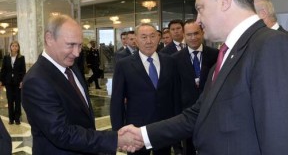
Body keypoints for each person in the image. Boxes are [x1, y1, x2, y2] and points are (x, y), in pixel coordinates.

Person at [120, 0, 288, 155]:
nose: (198, 19)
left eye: (200, 8)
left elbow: (282, 138)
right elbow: (198, 113)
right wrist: (142, 134)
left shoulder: (272, 45)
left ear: (225, 1)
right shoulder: (227, 55)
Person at [21, 14, 142, 155]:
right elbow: (62, 133)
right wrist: (116, 140)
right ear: (49, 38)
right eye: (71, 45)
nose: (77, 53)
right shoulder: (36, 80)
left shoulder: (71, 66)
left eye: (79, 45)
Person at [110, 23, 180, 155]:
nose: (149, 41)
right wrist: (118, 132)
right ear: (135, 40)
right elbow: (117, 101)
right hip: (136, 130)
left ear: (158, 38)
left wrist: (177, 125)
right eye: (144, 37)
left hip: (164, 127)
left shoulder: (170, 62)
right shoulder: (124, 65)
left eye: (152, 36)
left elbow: (175, 95)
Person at [172, 19, 218, 155]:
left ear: (202, 33)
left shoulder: (216, 55)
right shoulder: (175, 59)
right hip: (187, 113)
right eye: (189, 34)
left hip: (211, 110)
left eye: (196, 33)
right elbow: (174, 89)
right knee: (189, 149)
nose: (193, 38)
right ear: (184, 36)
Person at [0, 41, 26, 125]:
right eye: (13, 46)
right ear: (10, 47)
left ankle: (17, 118)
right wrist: (1, 81)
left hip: (18, 82)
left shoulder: (21, 58)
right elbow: (3, 70)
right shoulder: (6, 57)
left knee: (18, 101)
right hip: (8, 83)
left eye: (16, 46)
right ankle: (11, 119)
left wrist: (22, 81)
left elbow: (23, 71)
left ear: (18, 48)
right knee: (10, 100)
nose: (14, 47)